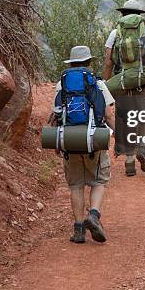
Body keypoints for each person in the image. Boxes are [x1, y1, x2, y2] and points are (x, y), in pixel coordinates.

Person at [49, 45, 115, 244]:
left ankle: (79, 230)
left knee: (76, 186)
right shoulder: (97, 83)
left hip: (69, 140)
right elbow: (109, 114)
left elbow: (56, 113)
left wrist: (56, 141)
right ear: (88, 62)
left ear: (72, 63)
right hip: (93, 140)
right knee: (99, 180)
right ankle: (93, 215)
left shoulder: (62, 84)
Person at [104, 0, 145, 176]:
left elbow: (108, 62)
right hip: (144, 82)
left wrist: (105, 86)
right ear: (140, 15)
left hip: (123, 82)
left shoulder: (115, 34)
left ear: (122, 14)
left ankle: (130, 162)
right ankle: (143, 149)